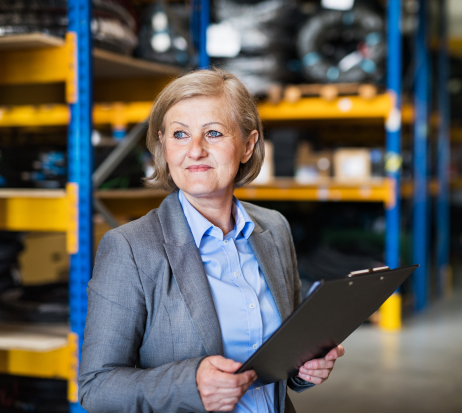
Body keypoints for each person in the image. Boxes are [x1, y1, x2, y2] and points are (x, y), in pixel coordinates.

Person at [78, 69, 345, 413]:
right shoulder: (130, 248)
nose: (195, 150)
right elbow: (96, 387)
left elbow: (285, 357)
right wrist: (188, 385)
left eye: (214, 133)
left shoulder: (274, 229)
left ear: (248, 145)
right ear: (163, 144)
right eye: (179, 134)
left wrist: (306, 369)